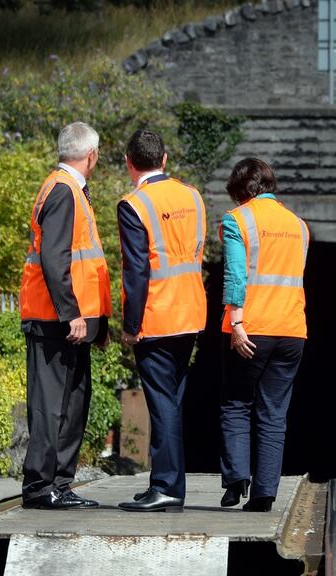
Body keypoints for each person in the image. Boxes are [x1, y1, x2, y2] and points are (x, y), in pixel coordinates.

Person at [19, 121, 111, 510]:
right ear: (91, 156)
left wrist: (97, 321)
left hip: (69, 319)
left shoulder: (69, 190)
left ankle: (59, 483)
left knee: (72, 404)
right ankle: (41, 487)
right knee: (51, 405)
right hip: (55, 318)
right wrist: (72, 313)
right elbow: (56, 260)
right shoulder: (63, 191)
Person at [116, 129, 207, 513]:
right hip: (190, 312)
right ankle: (166, 483)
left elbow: (136, 270)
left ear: (129, 163)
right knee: (172, 401)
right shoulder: (192, 195)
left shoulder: (133, 204)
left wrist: (131, 325)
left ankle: (167, 485)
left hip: (157, 316)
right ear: (165, 159)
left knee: (162, 404)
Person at [218, 158, 308, 512]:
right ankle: (264, 493)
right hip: (292, 331)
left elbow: (236, 276)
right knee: (274, 413)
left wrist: (236, 322)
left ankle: (237, 477)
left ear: (240, 190)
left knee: (236, 403)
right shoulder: (299, 226)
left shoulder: (237, 219)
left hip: (253, 328)